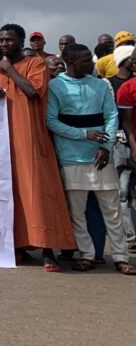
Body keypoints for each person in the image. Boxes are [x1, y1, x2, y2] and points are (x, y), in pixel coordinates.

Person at [0, 24, 75, 270]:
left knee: (38, 192)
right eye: (1, 39)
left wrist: (10, 70)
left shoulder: (36, 64)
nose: (4, 44)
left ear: (21, 41)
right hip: (3, 142)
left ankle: (48, 250)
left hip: (31, 139)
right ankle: (18, 246)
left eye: (10, 40)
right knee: (10, 194)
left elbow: (33, 92)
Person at [47, 44, 135, 274]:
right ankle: (86, 254)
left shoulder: (101, 84)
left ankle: (120, 256)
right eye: (87, 60)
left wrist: (106, 146)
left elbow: (112, 115)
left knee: (112, 209)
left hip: (101, 156)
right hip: (71, 155)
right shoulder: (56, 86)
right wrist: (83, 134)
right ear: (72, 63)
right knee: (77, 212)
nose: (92, 63)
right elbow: (52, 121)